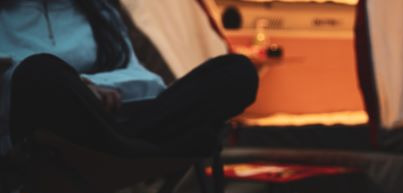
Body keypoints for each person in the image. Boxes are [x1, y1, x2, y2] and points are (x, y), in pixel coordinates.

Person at [0, 0, 258, 157]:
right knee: (39, 72)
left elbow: (146, 80)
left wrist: (95, 88)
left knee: (236, 71)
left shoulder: (97, 10)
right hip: (58, 135)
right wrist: (76, 89)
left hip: (125, 122)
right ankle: (146, 142)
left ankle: (132, 143)